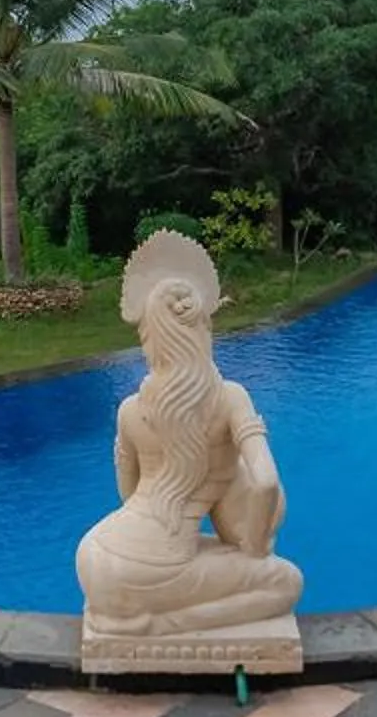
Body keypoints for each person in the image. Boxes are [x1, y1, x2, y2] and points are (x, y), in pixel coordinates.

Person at [75, 231, 302, 635]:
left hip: (96, 555)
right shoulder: (231, 399)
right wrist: (251, 548)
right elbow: (266, 482)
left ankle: (128, 619)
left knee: (151, 560)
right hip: (157, 570)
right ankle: (167, 624)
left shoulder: (130, 410)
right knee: (286, 583)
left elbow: (128, 496)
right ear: (203, 331)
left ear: (150, 340)